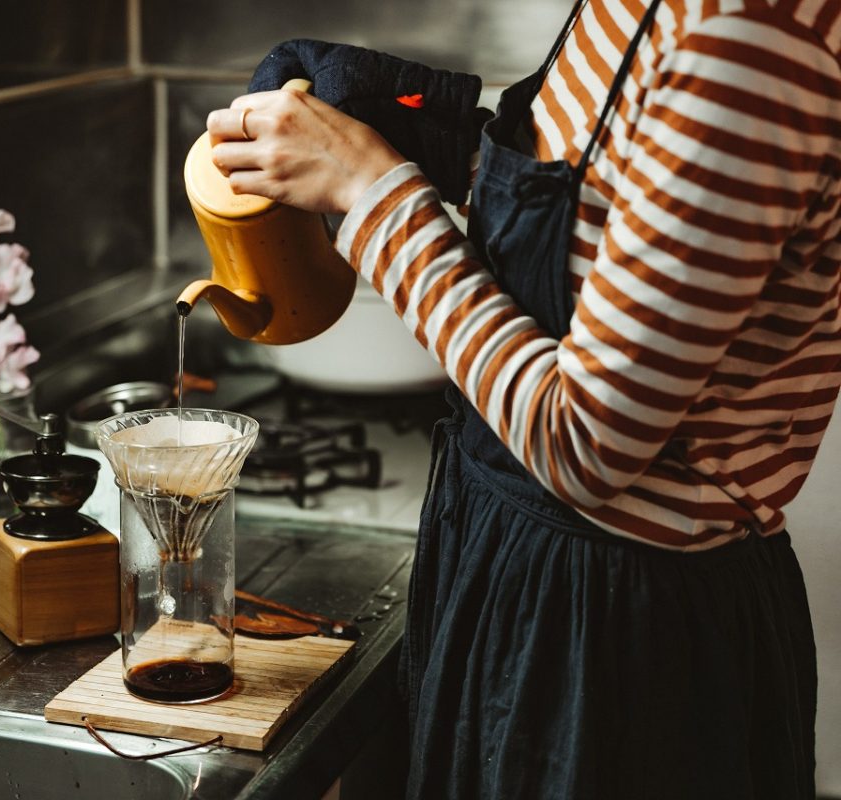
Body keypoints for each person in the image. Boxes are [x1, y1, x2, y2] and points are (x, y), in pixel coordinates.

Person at [207, 1, 836, 798]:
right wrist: (434, 137)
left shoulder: (747, 41)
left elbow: (584, 442)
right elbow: (610, 207)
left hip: (613, 651)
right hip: (515, 573)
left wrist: (370, 188)